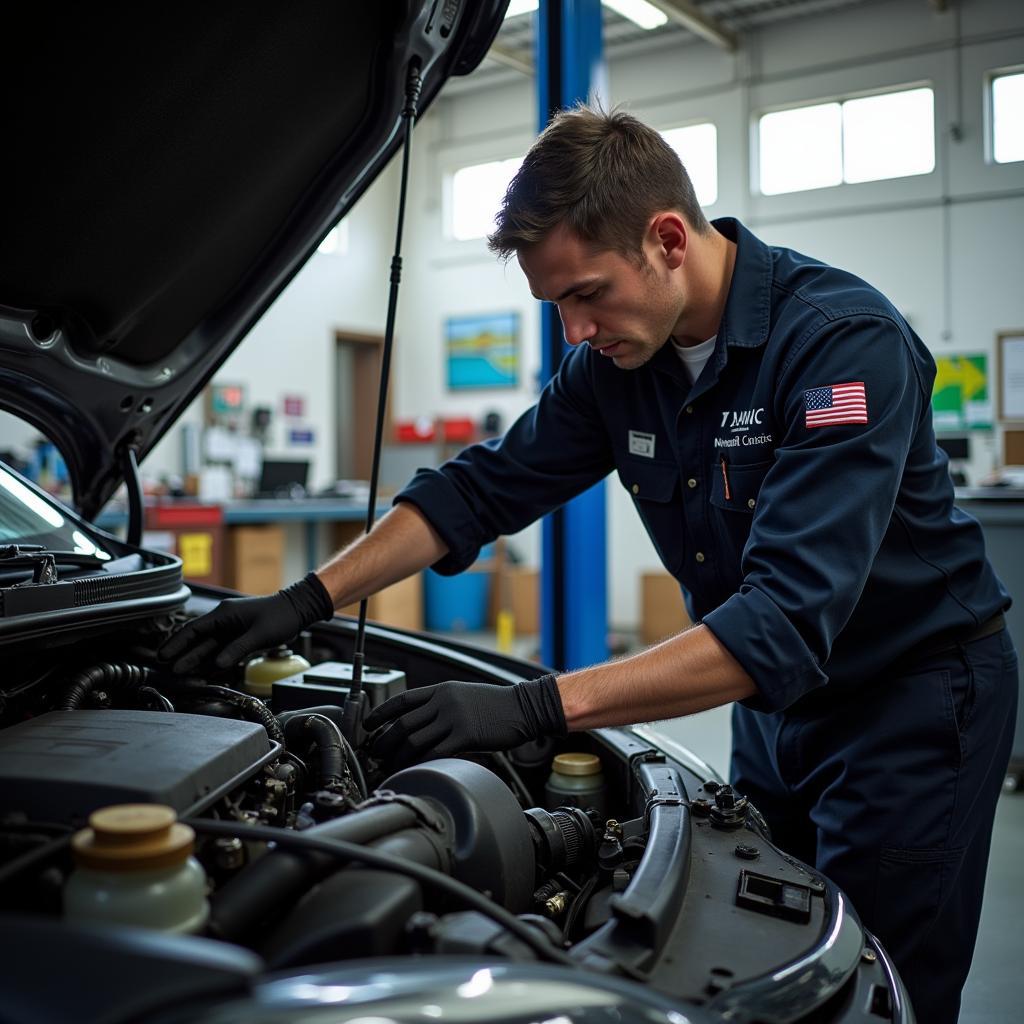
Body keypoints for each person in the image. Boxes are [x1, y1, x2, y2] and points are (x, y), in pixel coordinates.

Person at [159, 105, 1017, 1022]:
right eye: (557, 303)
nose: (574, 331)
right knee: (774, 963)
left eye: (588, 294)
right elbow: (479, 490)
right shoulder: (617, 363)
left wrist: (534, 706)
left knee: (878, 989)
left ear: (669, 239)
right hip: (778, 711)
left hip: (913, 702)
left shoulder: (841, 346)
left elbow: (778, 622)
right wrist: (302, 600)